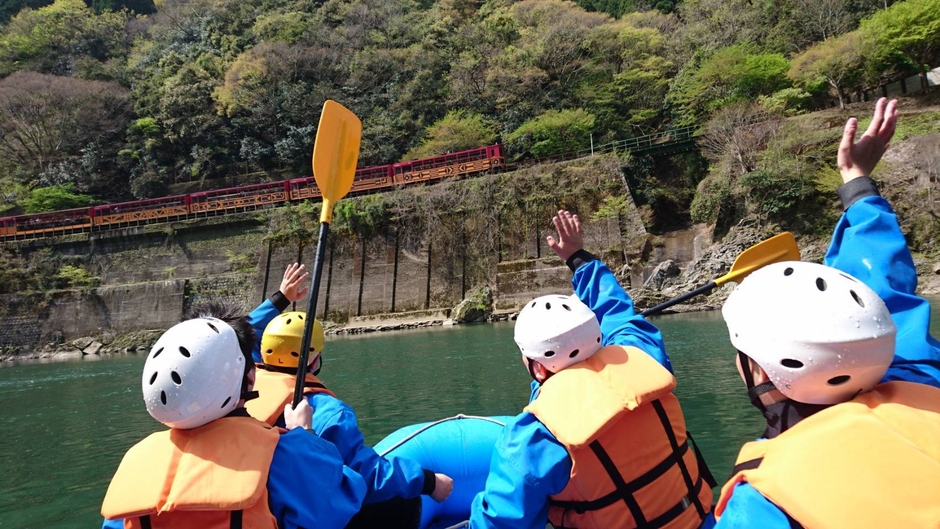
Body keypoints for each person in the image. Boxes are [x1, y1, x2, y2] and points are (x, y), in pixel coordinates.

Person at [713, 98, 940, 528]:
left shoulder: (762, 505)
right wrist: (858, 183)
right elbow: (884, 286)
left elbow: (884, 291)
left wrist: (858, 184)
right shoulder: (922, 382)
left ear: (761, 374)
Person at [469, 210, 714, 529]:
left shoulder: (534, 438)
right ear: (596, 335)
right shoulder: (643, 355)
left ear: (537, 368)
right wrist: (577, 257)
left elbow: (497, 521)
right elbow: (618, 311)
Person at [100, 301, 367, 528]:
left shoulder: (134, 467)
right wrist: (306, 436)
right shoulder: (286, 455)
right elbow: (344, 499)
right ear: (250, 377)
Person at [245, 309, 454, 529]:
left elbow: (245, 326)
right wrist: (428, 481)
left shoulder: (247, 388)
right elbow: (366, 472)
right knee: (403, 500)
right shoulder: (330, 413)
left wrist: (280, 299)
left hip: (263, 509)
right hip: (302, 514)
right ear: (314, 361)